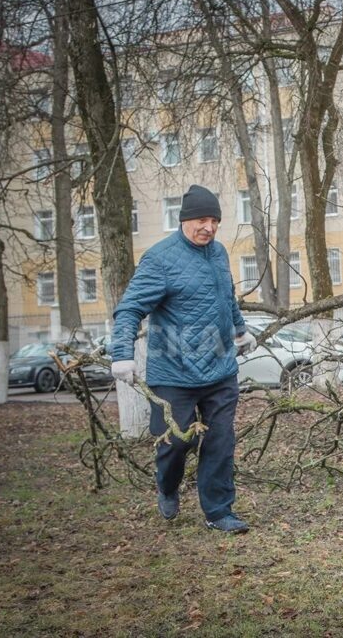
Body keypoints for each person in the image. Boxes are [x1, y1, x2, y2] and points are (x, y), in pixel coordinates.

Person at [110, 185, 257, 533]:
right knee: (177, 441)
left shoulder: (219, 253)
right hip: (174, 373)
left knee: (221, 441)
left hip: (220, 369)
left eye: (215, 221)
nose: (209, 227)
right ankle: (167, 485)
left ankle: (219, 512)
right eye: (202, 220)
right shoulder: (160, 259)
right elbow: (130, 309)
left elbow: (227, 296)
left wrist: (239, 329)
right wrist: (122, 355)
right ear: (185, 220)